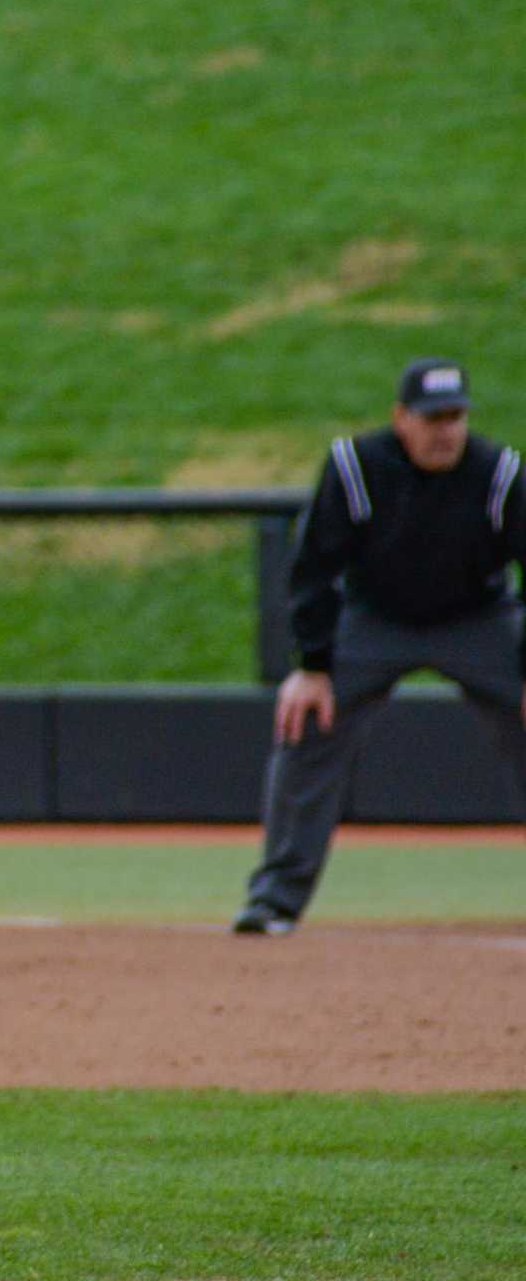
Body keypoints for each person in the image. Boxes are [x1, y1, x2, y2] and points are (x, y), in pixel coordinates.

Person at [235, 357, 526, 935]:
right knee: (308, 721)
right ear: (400, 418)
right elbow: (313, 568)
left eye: (455, 417)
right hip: (375, 619)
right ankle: (274, 900)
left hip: (478, 617)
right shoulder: (355, 467)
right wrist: (313, 667)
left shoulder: (499, 474)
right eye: (431, 417)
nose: (444, 431)